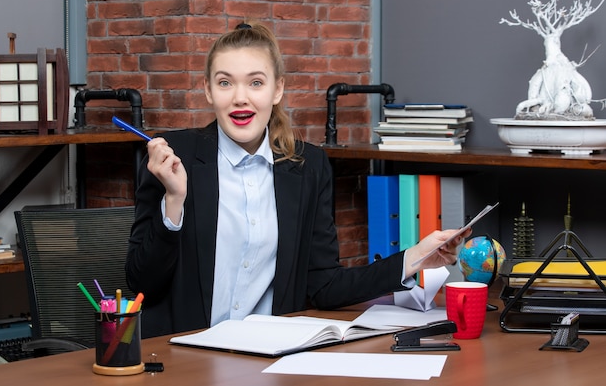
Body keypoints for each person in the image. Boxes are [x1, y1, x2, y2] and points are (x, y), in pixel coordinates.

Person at [125, 21, 470, 338]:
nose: (240, 97)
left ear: (277, 90)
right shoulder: (171, 159)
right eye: (225, 82)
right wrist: (173, 201)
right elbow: (142, 285)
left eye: (256, 82)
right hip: (183, 359)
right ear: (208, 91)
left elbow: (324, 284)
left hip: (267, 356)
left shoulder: (309, 166)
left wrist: (415, 257)